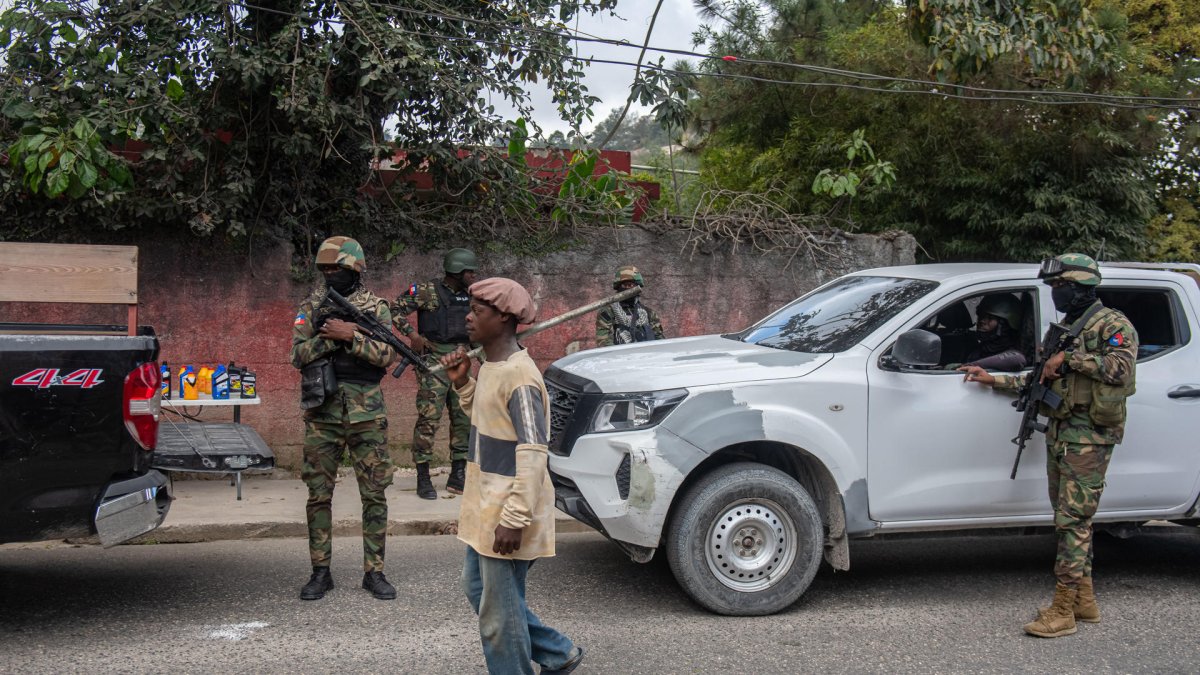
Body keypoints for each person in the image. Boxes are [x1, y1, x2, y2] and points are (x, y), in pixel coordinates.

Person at [960, 253, 1137, 638]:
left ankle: (1062, 610)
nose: (1056, 293)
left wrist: (1070, 359)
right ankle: (1084, 600)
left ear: (1081, 287)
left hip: (1088, 438)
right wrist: (993, 380)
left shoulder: (1112, 324)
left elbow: (1122, 369)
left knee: (1072, 521)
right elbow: (1040, 378)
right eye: (1054, 286)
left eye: (1061, 286)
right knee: (1069, 518)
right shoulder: (1066, 328)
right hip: (1062, 432)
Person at [439, 277, 585, 675]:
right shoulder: (492, 367)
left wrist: (515, 518)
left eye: (478, 312)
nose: (468, 318)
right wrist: (463, 384)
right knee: (478, 589)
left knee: (499, 618)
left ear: (504, 318)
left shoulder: (520, 378)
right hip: (487, 506)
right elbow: (490, 420)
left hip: (507, 511)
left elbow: (534, 452)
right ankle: (558, 654)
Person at [290, 236, 398, 601]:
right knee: (318, 494)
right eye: (324, 269)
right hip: (323, 413)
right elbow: (297, 355)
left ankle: (375, 572)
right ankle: (320, 572)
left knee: (375, 494)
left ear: (354, 268)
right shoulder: (312, 306)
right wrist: (330, 338)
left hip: (368, 413)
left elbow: (387, 355)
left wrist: (352, 336)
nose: (329, 274)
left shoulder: (376, 308)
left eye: (335, 268)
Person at [392, 248, 478, 500]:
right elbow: (393, 309)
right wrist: (413, 335)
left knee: (463, 419)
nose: (474, 276)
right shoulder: (426, 291)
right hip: (433, 363)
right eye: (470, 272)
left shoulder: (473, 295)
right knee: (429, 419)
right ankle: (423, 476)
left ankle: (458, 474)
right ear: (457, 271)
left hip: (462, 359)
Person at [595, 265, 665, 346]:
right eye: (626, 285)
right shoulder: (608, 312)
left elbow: (660, 341)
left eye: (632, 285)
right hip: (621, 353)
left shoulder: (649, 313)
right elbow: (603, 343)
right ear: (619, 287)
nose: (629, 288)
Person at [957, 294, 1028, 371]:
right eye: (981, 315)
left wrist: (968, 366)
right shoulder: (979, 350)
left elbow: (1017, 359)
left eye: (990, 318)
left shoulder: (1012, 351)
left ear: (1004, 325)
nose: (982, 321)